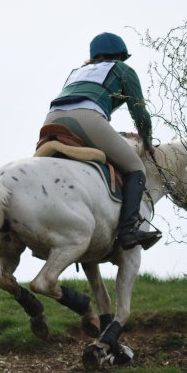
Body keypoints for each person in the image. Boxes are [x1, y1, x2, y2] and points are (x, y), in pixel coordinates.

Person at [44, 32, 161, 251]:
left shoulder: (77, 72)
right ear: (120, 55)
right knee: (136, 168)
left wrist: (123, 135)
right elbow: (140, 115)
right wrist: (147, 143)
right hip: (88, 119)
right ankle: (128, 232)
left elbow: (79, 108)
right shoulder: (123, 70)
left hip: (52, 119)